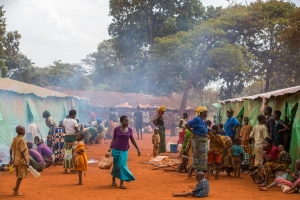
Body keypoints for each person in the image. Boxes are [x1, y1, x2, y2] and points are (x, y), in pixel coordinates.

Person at [108, 115, 140, 189]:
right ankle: (113, 179)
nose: (127, 122)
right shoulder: (116, 129)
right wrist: (110, 148)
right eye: (125, 121)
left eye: (128, 121)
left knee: (122, 165)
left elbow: (132, 140)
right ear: (121, 121)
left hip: (124, 151)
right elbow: (113, 139)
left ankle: (121, 183)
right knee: (116, 166)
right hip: (116, 150)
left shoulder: (130, 130)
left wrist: (137, 149)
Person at [185, 106, 209, 175]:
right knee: (200, 156)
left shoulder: (203, 121)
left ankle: (194, 173)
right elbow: (187, 125)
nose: (206, 114)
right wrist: (193, 133)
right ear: (201, 113)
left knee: (200, 156)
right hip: (199, 140)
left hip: (203, 140)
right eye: (205, 112)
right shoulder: (197, 119)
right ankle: (199, 173)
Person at [10, 125, 29, 196]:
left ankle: (16, 187)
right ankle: (16, 190)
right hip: (21, 161)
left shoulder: (15, 139)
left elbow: (11, 149)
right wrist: (26, 161)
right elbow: (22, 151)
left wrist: (11, 158)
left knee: (20, 175)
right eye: (24, 129)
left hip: (16, 160)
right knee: (21, 176)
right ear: (22, 131)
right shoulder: (22, 140)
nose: (25, 131)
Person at [63, 109, 79, 174]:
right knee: (73, 153)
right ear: (74, 115)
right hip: (73, 138)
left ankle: (66, 169)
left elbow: (64, 130)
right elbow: (77, 130)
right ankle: (73, 169)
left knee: (67, 153)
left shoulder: (64, 120)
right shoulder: (74, 121)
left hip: (66, 138)